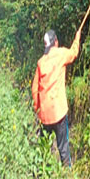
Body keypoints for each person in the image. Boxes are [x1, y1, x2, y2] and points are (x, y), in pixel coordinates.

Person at [31, 28, 81, 166]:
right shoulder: (60, 54)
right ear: (56, 42)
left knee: (44, 147)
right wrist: (77, 38)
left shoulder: (41, 63)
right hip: (58, 111)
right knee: (63, 147)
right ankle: (67, 173)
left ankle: (42, 172)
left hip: (45, 115)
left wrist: (38, 109)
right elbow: (74, 53)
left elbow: (34, 88)